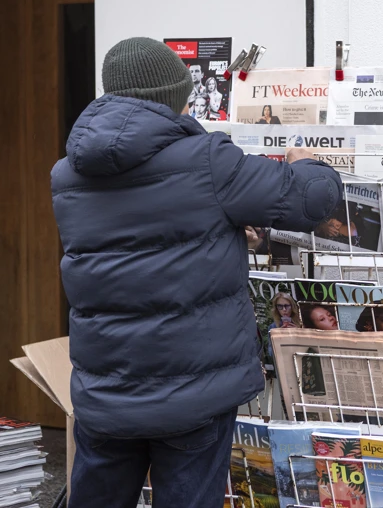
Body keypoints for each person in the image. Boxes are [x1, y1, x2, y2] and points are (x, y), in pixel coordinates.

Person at [50, 37, 343, 507]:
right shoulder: (207, 162)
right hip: (192, 396)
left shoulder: (67, 175)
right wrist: (308, 162)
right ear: (174, 98)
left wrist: (221, 234)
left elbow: (135, 246)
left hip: (105, 393)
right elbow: (311, 200)